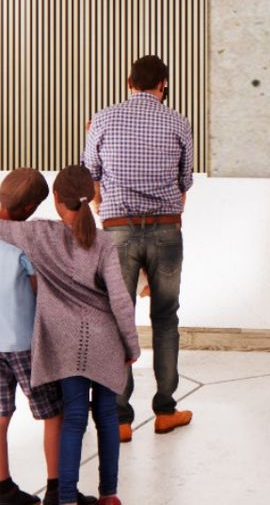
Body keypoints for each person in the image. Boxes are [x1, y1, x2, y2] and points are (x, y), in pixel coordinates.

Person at [0, 165, 140, 505]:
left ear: (54, 200)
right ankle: (109, 498)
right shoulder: (103, 242)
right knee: (108, 419)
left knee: (73, 420)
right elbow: (120, 300)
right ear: (92, 198)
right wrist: (131, 344)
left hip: (63, 345)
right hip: (105, 342)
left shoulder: (39, 234)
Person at [83, 53, 195, 440]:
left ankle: (120, 418)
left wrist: (105, 212)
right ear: (163, 83)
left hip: (117, 231)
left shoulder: (104, 119)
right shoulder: (179, 122)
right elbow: (185, 183)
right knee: (165, 318)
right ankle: (165, 409)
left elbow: (90, 177)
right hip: (166, 229)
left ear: (129, 82)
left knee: (119, 319)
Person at [0, 168, 85, 505]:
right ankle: (54, 489)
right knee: (53, 415)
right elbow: (38, 288)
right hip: (24, 342)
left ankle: (4, 492)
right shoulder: (20, 242)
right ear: (31, 206)